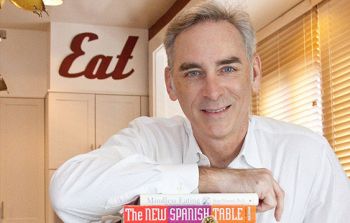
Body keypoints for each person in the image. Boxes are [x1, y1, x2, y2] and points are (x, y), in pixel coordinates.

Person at [50, 1, 350, 222]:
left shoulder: (308, 154)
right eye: (193, 73)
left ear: (254, 73)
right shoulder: (148, 139)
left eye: (228, 68)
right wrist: (215, 179)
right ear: (170, 84)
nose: (213, 91)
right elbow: (67, 195)